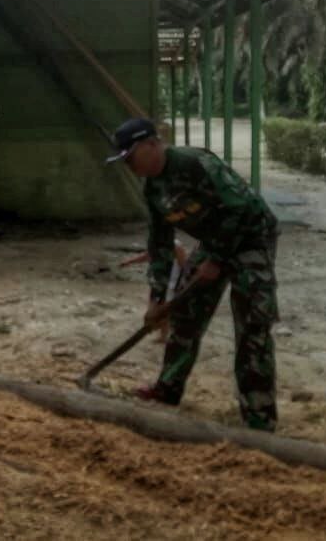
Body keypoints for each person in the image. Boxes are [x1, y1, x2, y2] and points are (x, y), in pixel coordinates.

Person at [106, 118, 281, 431]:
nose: (129, 165)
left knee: (253, 325)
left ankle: (259, 417)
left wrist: (215, 258)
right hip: (215, 241)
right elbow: (159, 245)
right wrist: (157, 299)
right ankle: (168, 388)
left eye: (130, 157)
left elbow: (241, 209)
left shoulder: (194, 163)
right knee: (185, 313)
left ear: (150, 145)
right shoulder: (153, 188)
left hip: (252, 237)